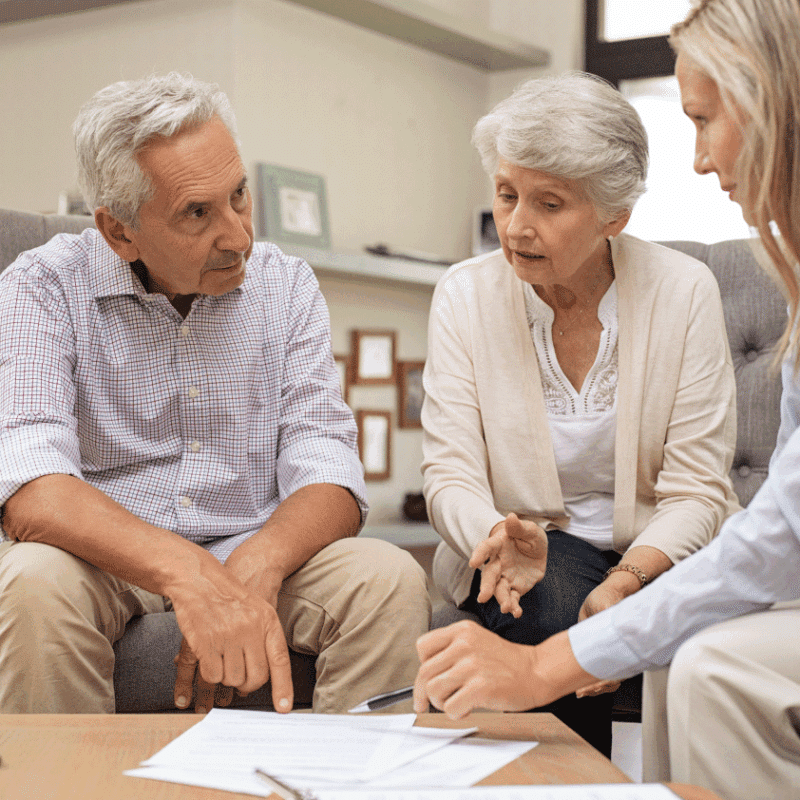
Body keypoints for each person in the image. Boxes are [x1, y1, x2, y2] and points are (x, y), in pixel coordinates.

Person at [415, 1, 800, 797]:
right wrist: (497, 534)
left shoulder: (684, 289)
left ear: (614, 215)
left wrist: (629, 580)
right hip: (521, 560)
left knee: (635, 618)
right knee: (550, 583)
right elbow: (450, 473)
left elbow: (713, 499)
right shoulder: (466, 294)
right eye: (506, 196)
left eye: (549, 204)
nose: (516, 225)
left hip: (656, 555)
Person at [0, 73, 430, 715]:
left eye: (239, 196)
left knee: (389, 578)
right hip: (101, 563)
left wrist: (259, 564)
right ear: (120, 233)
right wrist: (190, 574)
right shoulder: (42, 287)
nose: (238, 237)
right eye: (198, 213)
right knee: (31, 583)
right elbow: (33, 487)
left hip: (253, 544)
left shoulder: (286, 287)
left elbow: (330, 470)